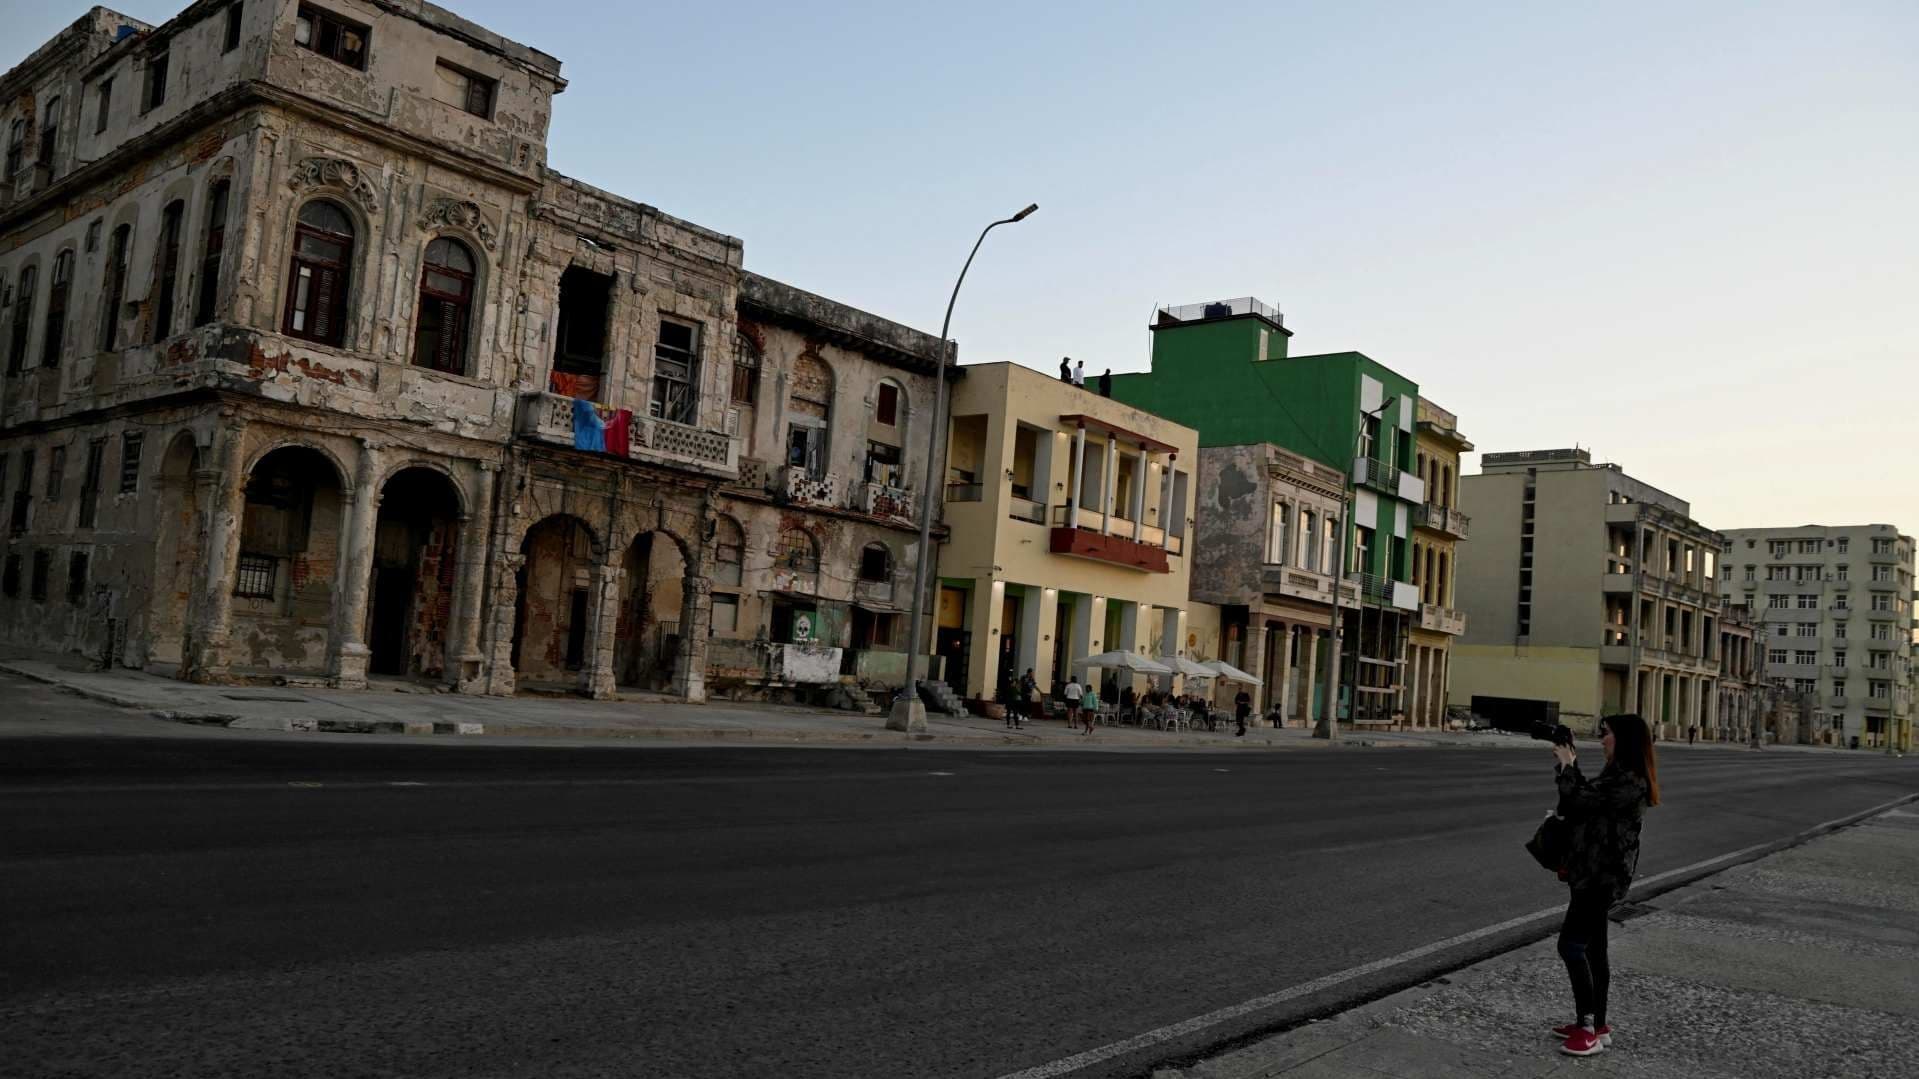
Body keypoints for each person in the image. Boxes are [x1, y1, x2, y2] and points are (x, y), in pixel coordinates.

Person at [1549, 714, 1660, 1058]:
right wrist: (1570, 764)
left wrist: (1568, 766)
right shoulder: (1618, 776)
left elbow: (1578, 800)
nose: (1601, 740)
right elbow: (1578, 800)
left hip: (1601, 878)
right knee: (1595, 950)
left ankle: (1587, 1030)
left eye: (1606, 734)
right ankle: (1598, 1024)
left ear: (1623, 739)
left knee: (1571, 947)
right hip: (1591, 873)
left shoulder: (1629, 780)